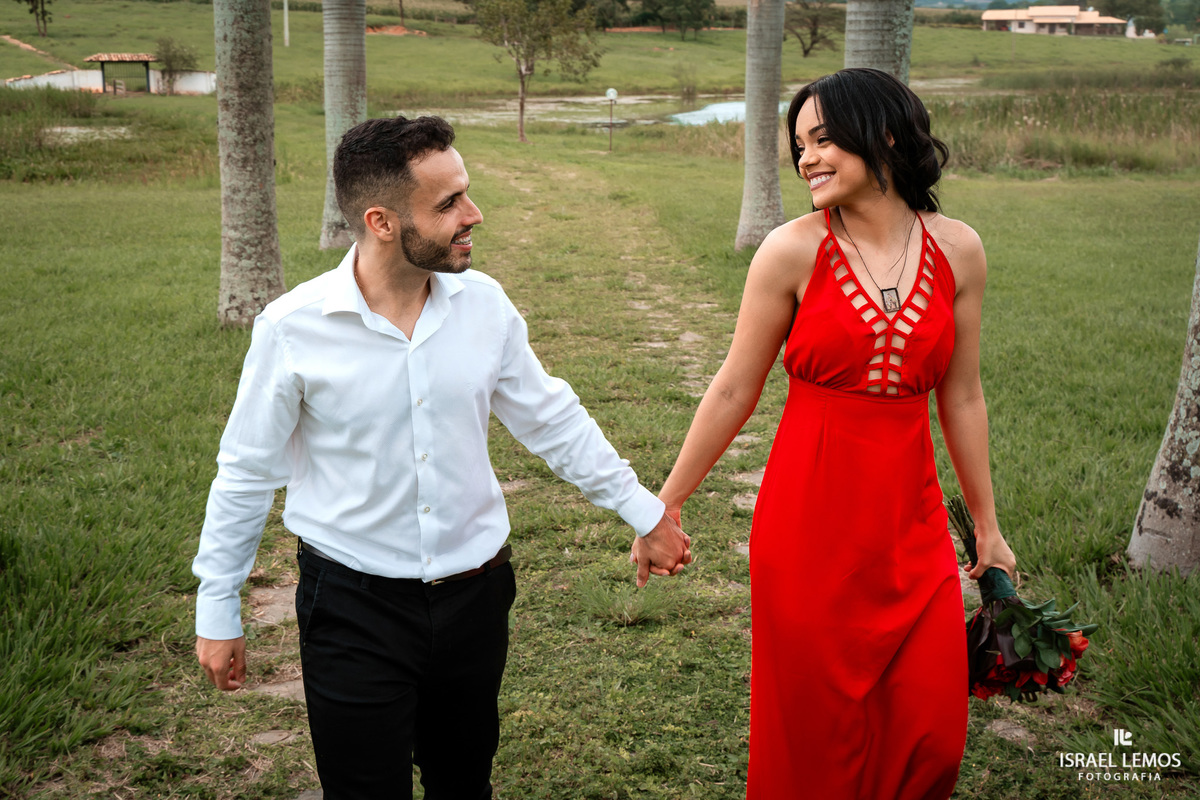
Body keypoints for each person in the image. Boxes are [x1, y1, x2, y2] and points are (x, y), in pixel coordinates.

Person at [193, 115, 691, 800]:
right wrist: (218, 606)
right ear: (382, 220)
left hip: (475, 599)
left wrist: (647, 512)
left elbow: (552, 420)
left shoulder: (484, 306)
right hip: (351, 606)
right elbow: (246, 472)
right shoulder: (292, 328)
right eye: (449, 203)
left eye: (466, 194)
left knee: (464, 783)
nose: (473, 215)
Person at [650, 69, 1016, 799]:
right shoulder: (790, 251)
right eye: (799, 146)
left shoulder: (960, 249)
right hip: (808, 522)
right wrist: (667, 501)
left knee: (933, 735)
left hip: (909, 524)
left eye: (823, 139)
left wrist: (987, 528)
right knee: (815, 732)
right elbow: (733, 387)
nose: (807, 158)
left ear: (882, 134)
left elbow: (964, 396)